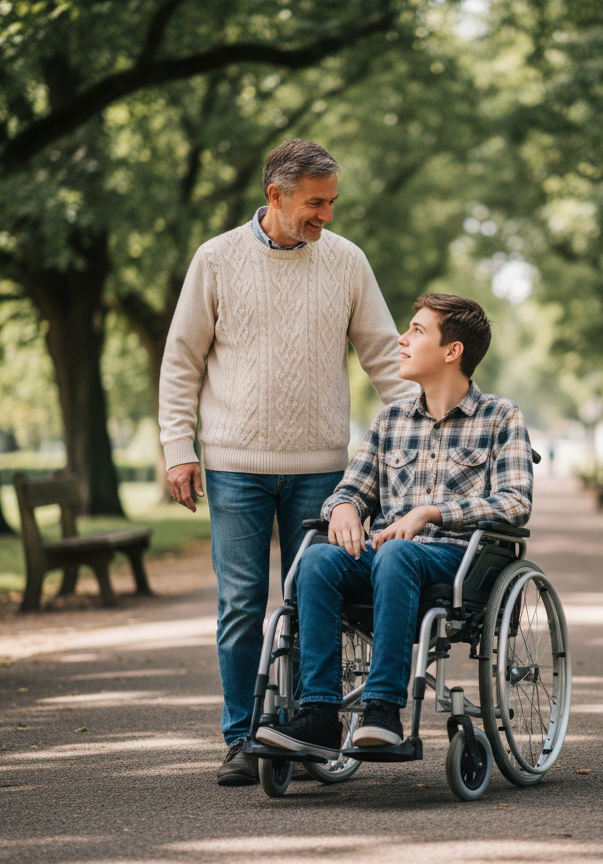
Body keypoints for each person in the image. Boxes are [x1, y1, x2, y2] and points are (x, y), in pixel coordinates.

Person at [158, 139, 417, 786]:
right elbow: (182, 360)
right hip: (234, 464)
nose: (326, 215)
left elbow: (384, 356)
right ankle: (242, 738)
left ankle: (303, 730)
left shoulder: (347, 261)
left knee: (310, 600)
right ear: (275, 195)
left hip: (321, 469)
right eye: (315, 203)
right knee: (241, 605)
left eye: (332, 202)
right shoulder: (215, 260)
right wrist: (178, 448)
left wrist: (438, 419)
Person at [254, 293, 533, 758]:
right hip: (387, 557)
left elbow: (515, 502)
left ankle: (383, 709)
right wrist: (343, 508)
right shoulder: (391, 420)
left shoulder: (500, 416)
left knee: (398, 553)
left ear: (453, 351)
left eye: (416, 331)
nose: (401, 340)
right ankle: (319, 714)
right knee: (318, 559)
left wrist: (431, 512)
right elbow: (350, 489)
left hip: (459, 561)